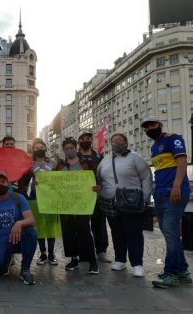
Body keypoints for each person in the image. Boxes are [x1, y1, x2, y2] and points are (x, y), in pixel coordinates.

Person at [141, 116, 191, 288]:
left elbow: (182, 161)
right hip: (161, 194)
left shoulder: (173, 138)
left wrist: (177, 186)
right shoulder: (154, 147)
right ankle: (183, 270)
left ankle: (171, 273)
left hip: (174, 193)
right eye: (146, 127)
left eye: (152, 125)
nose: (149, 129)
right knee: (170, 234)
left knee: (170, 233)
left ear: (160, 125)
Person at [96, 133, 152, 277]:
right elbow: (99, 179)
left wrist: (145, 198)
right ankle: (120, 259)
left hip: (131, 201)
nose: (117, 143)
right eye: (114, 141)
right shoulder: (105, 160)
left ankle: (137, 264)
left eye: (120, 140)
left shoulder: (135, 157)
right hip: (109, 201)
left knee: (133, 233)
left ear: (126, 143)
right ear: (110, 143)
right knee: (117, 232)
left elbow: (146, 177)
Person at [56, 137, 99, 275]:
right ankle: (74, 258)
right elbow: (52, 183)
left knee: (84, 231)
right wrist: (41, 184)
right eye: (66, 149)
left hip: (82, 204)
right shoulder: (60, 166)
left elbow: (94, 180)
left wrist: (97, 188)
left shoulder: (85, 164)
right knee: (68, 232)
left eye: (71, 148)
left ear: (76, 148)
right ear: (63, 150)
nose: (69, 150)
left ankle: (92, 261)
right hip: (65, 205)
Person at [77, 129, 111, 263]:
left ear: (91, 141)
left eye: (88, 138)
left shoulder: (99, 156)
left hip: (97, 196)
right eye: (82, 138)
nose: (86, 140)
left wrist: (101, 187)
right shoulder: (75, 157)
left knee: (99, 224)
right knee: (82, 225)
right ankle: (83, 251)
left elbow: (105, 175)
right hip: (79, 197)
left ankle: (101, 250)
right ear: (78, 141)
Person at [29, 138, 59, 266]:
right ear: (33, 150)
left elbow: (59, 180)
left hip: (50, 197)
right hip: (35, 197)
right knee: (40, 226)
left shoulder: (53, 163)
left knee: (50, 226)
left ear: (45, 148)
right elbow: (24, 180)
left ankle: (52, 254)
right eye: (37, 148)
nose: (39, 150)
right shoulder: (30, 164)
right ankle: (43, 254)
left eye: (41, 147)